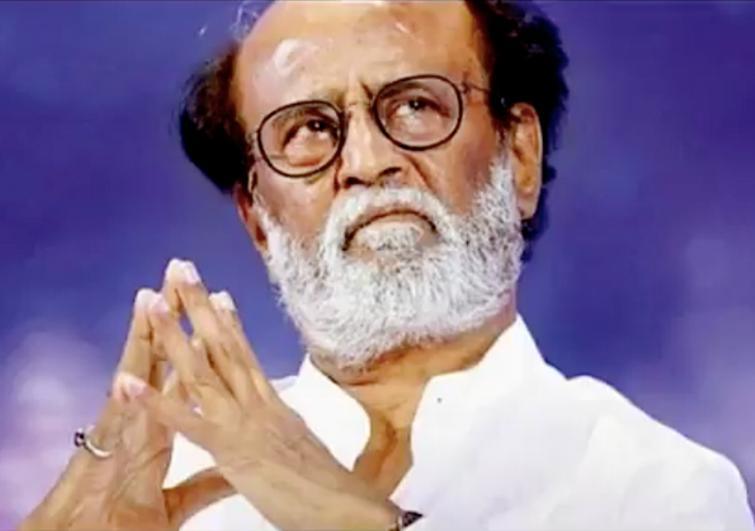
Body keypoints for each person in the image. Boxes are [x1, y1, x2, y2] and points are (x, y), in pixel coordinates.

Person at [21, 1, 754, 529]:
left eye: (414, 107)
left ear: (519, 155)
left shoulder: (656, 489)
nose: (368, 162)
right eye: (309, 129)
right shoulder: (169, 482)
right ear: (257, 218)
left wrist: (347, 520)